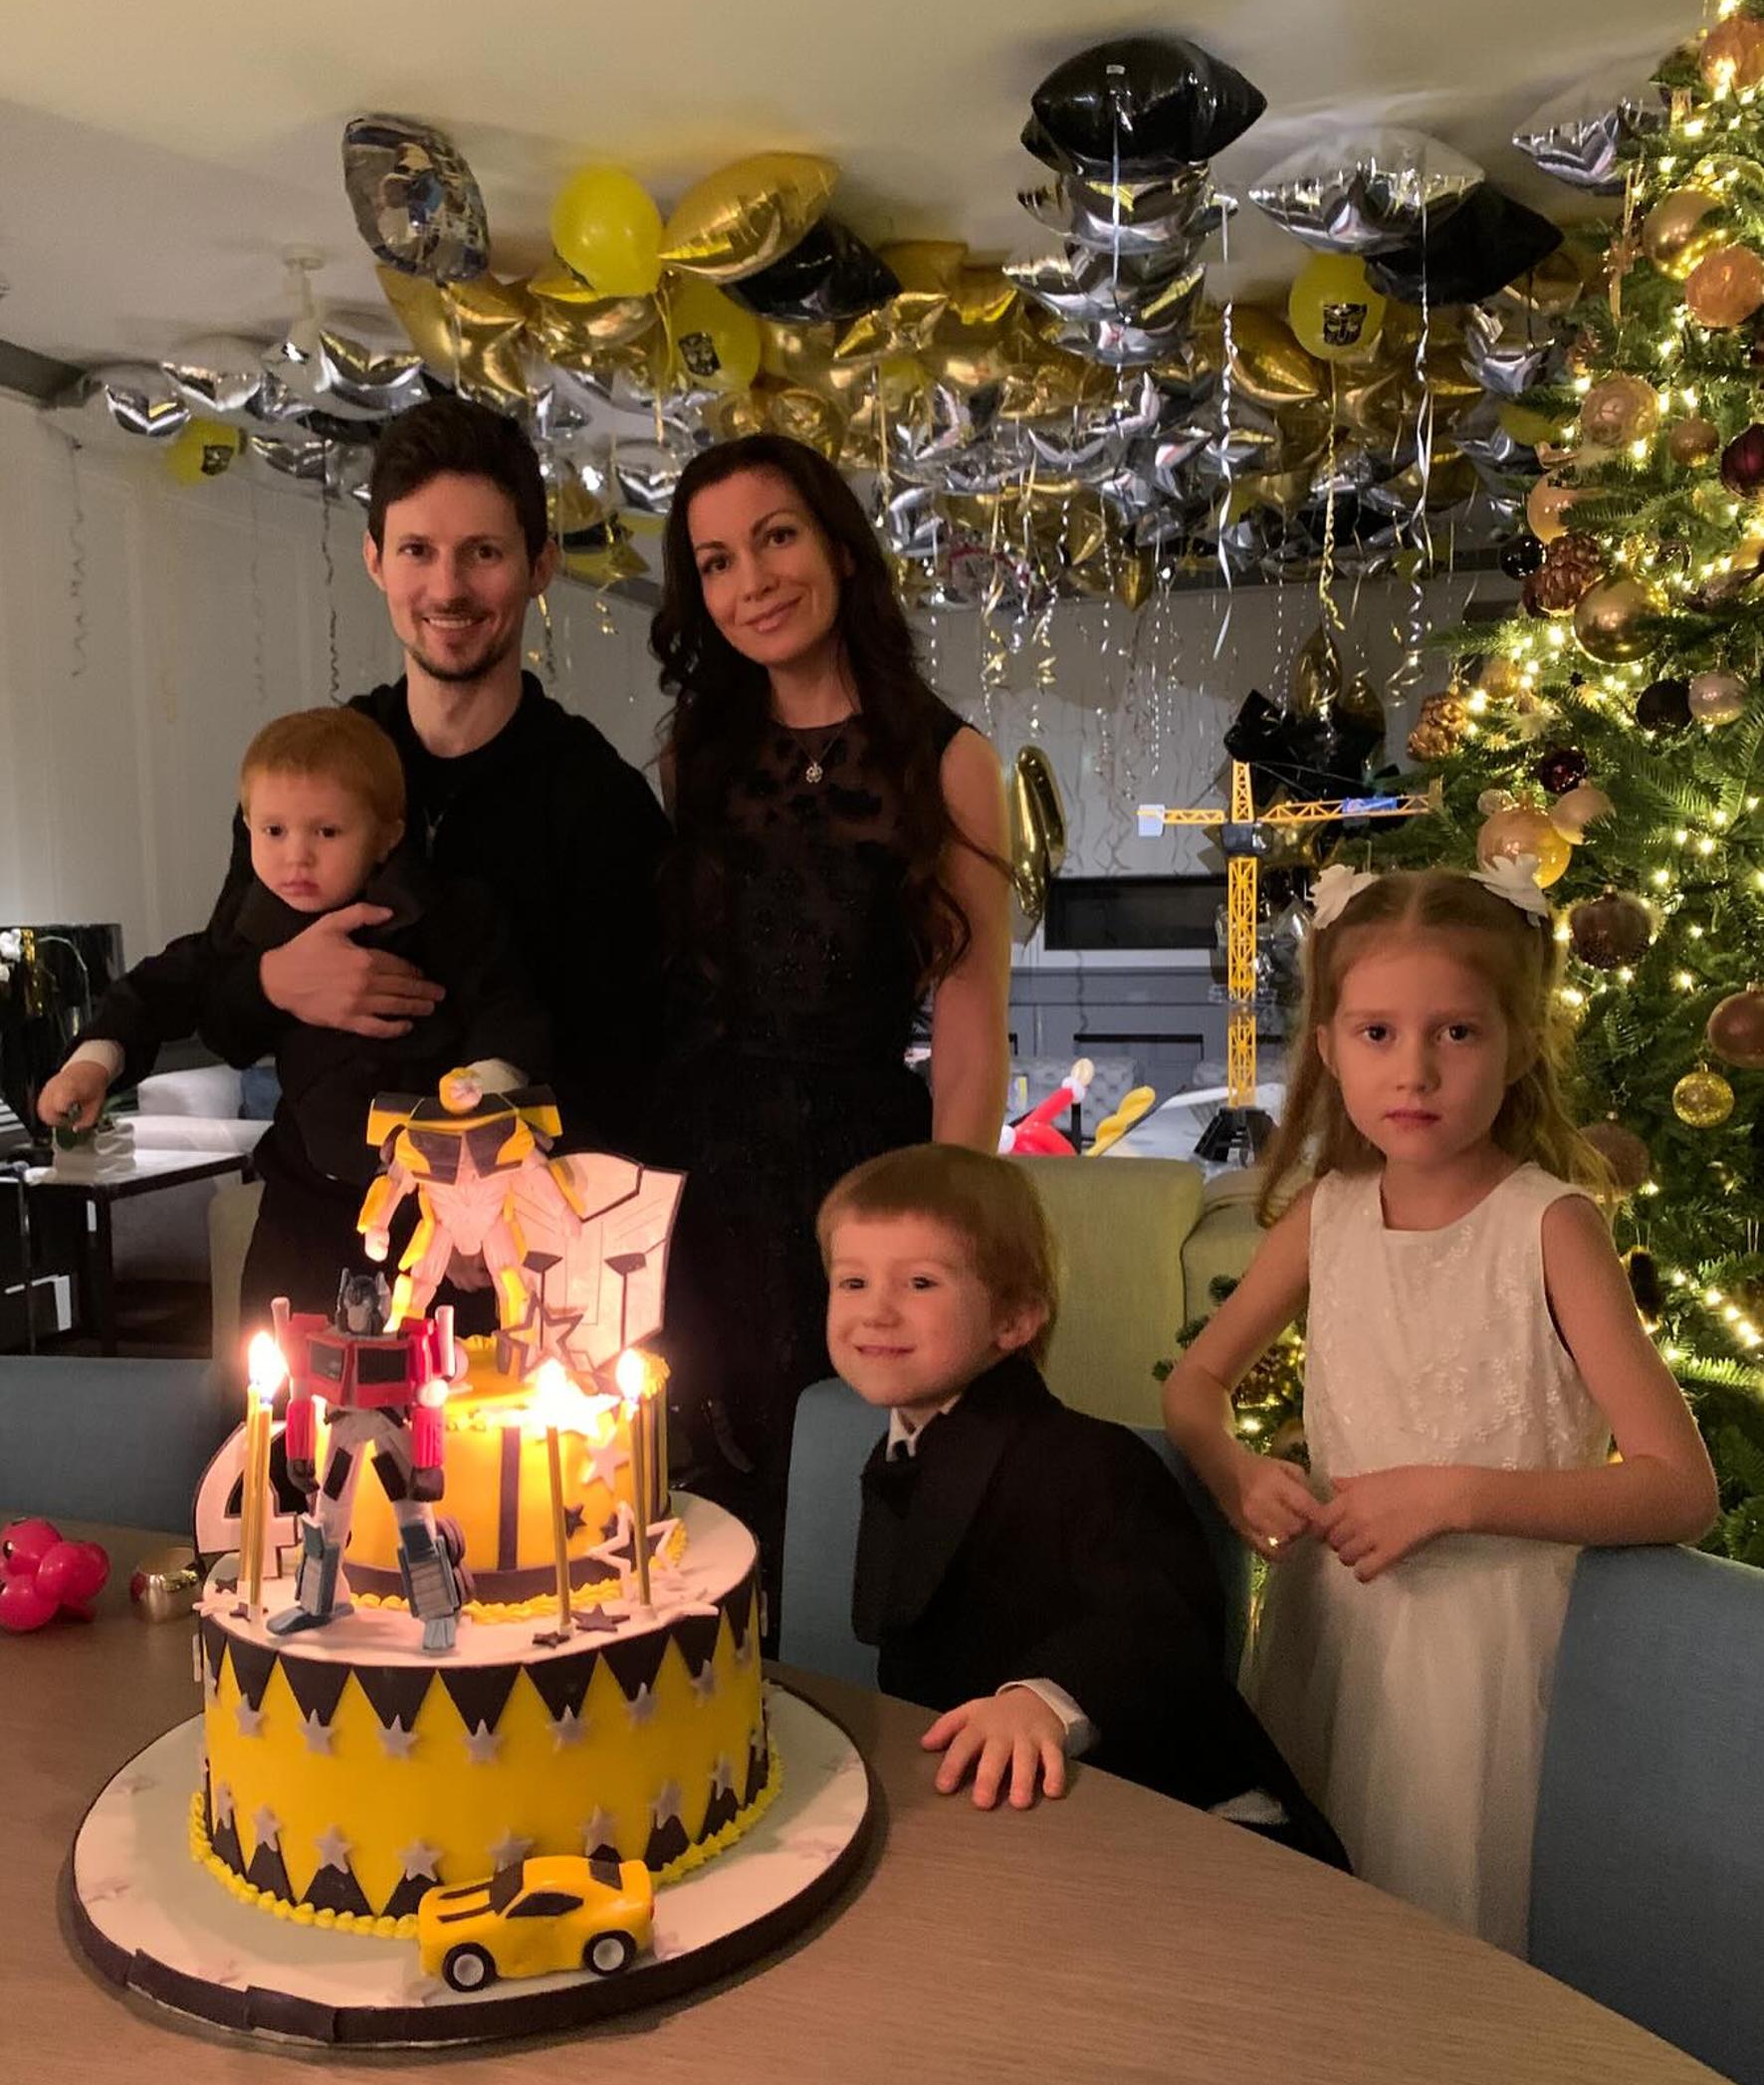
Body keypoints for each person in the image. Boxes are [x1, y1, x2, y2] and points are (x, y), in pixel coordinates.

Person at [1162, 860, 1717, 1952]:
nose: (1413, 1070)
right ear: (1328, 1047)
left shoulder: (1551, 1228)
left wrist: (1454, 1496)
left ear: (1518, 1045)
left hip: (1489, 1670)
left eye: (1456, 1032)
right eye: (1376, 1032)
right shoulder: (1326, 1214)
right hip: (1331, 1634)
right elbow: (1194, 1385)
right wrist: (1234, 1470)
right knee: (1318, 1929)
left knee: (1447, 1948)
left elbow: (1677, 1488)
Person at [42, 396, 669, 1166]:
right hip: (315, 1205)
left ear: (539, 566)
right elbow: (223, 1009)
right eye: (416, 550)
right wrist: (276, 982)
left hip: (513, 1208)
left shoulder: (599, 801)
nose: (447, 588)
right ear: (375, 560)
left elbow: (631, 1063)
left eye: (483, 552)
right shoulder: (306, 774)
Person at [649, 433, 1011, 1613]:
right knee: (705, 1496)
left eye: (775, 538)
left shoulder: (950, 762)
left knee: (851, 1495)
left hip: (861, 1167)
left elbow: (970, 1031)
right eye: (715, 561)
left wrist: (944, 1239)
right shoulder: (695, 760)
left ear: (841, 550)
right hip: (704, 1175)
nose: (749, 581)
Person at [823, 1144, 1347, 1862]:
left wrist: (1042, 1700)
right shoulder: (903, 1448)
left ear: (1014, 1320)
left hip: (1176, 1810)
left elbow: (1161, 1623)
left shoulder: (1088, 1461)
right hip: (995, 1809)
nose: (876, 1312)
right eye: (852, 1282)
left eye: (920, 1282)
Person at [40, 707, 549, 1329]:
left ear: (386, 836)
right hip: (304, 1210)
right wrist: (93, 1062)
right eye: (273, 831)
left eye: (326, 832)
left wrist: (476, 1143)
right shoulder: (251, 929)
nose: (296, 858)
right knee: (280, 1366)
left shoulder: (450, 916)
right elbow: (163, 986)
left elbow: (509, 1015)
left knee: (449, 1367)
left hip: (432, 1200)